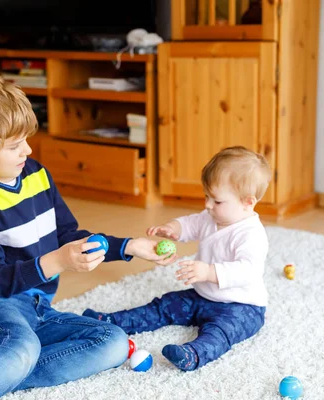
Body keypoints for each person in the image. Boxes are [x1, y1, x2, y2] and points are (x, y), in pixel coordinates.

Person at [0, 71, 174, 399]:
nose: (27, 150)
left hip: (37, 306)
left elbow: (67, 235)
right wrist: (58, 261)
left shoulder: (35, 174)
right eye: (15, 145)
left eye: (27, 139)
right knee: (22, 346)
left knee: (112, 342)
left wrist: (130, 246)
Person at [83, 146, 272, 371]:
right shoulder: (210, 217)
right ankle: (112, 322)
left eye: (217, 201)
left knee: (221, 332)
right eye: (206, 197)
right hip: (202, 296)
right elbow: (190, 224)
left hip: (241, 307)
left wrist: (208, 272)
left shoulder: (251, 234)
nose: (208, 205)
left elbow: (248, 270)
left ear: (247, 202)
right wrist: (171, 228)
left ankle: (193, 354)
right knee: (164, 305)